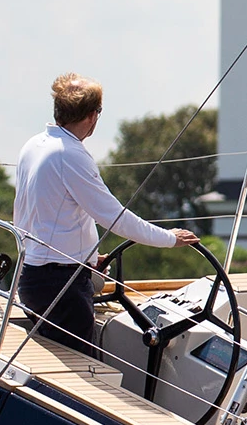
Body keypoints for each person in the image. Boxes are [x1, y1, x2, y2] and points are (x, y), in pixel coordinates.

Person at [11, 73, 197, 353]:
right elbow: (115, 218)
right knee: (81, 367)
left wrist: (85, 257)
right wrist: (169, 238)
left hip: (32, 276)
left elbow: (39, 216)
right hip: (60, 287)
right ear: (91, 116)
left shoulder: (34, 145)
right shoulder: (70, 154)